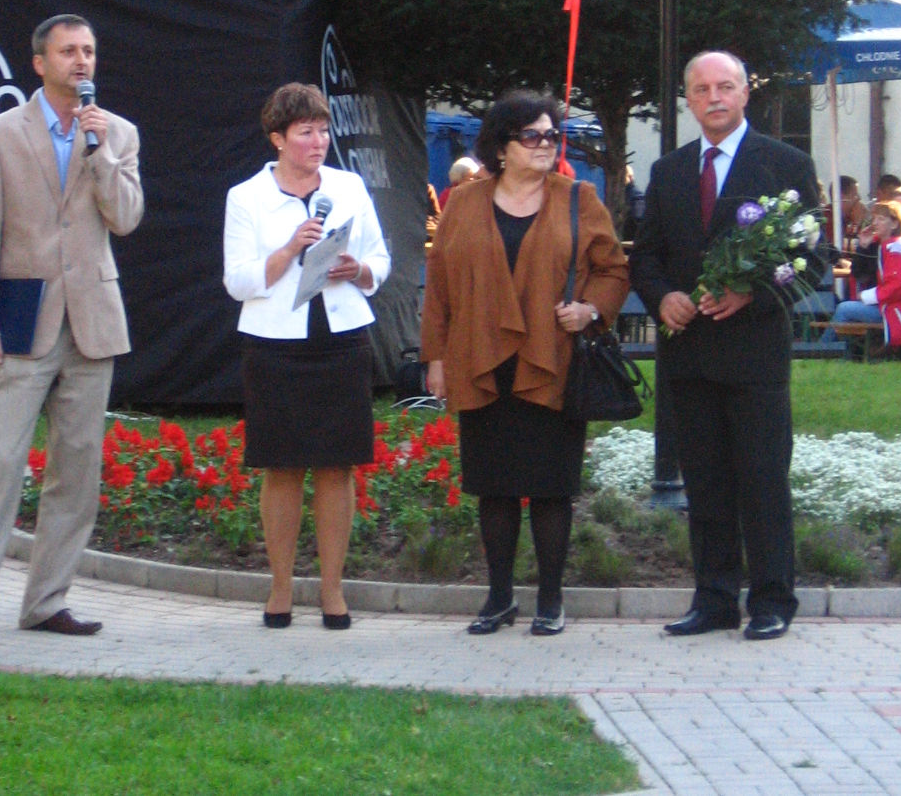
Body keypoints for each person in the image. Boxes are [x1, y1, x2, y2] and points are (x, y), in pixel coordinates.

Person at [0, 15, 144, 649]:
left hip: (93, 322)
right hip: (22, 320)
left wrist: (100, 153)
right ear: (40, 63)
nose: (82, 61)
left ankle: (47, 601)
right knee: (0, 464)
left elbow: (126, 219)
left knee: (77, 472)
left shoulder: (117, 133)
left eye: (90, 51)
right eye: (69, 51)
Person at [631, 50, 823, 642]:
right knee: (706, 483)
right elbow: (646, 255)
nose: (714, 97)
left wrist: (752, 294)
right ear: (688, 99)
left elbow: (810, 261)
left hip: (754, 357)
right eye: (701, 88)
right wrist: (663, 297)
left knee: (762, 481)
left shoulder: (786, 164)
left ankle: (771, 600)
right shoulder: (669, 171)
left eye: (725, 86)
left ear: (745, 93)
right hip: (688, 356)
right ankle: (714, 599)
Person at [420, 90, 628, 636]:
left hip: (552, 360)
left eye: (551, 135)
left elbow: (613, 269)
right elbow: (439, 287)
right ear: (501, 146)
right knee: (495, 487)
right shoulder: (464, 203)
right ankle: (498, 598)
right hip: (480, 360)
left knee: (552, 487)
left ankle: (551, 600)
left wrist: (589, 310)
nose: (545, 144)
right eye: (531, 135)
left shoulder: (579, 198)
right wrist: (435, 358)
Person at [223, 83, 390, 630]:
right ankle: (279, 590)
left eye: (323, 131)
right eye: (305, 132)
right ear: (278, 139)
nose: (318, 142)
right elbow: (238, 281)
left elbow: (381, 258)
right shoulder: (246, 197)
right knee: (283, 466)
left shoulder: (349, 186)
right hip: (276, 345)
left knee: (338, 466)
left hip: (342, 339)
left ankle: (333, 591)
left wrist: (358, 270)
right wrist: (291, 248)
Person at [830, 200, 901, 358]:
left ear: (894, 224)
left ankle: (824, 351)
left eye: (881, 219)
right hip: (887, 304)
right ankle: (836, 353)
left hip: (897, 308)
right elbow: (857, 273)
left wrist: (866, 296)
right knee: (845, 308)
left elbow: (897, 286)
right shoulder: (879, 245)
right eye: (875, 218)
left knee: (844, 309)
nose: (875, 223)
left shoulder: (897, 249)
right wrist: (863, 246)